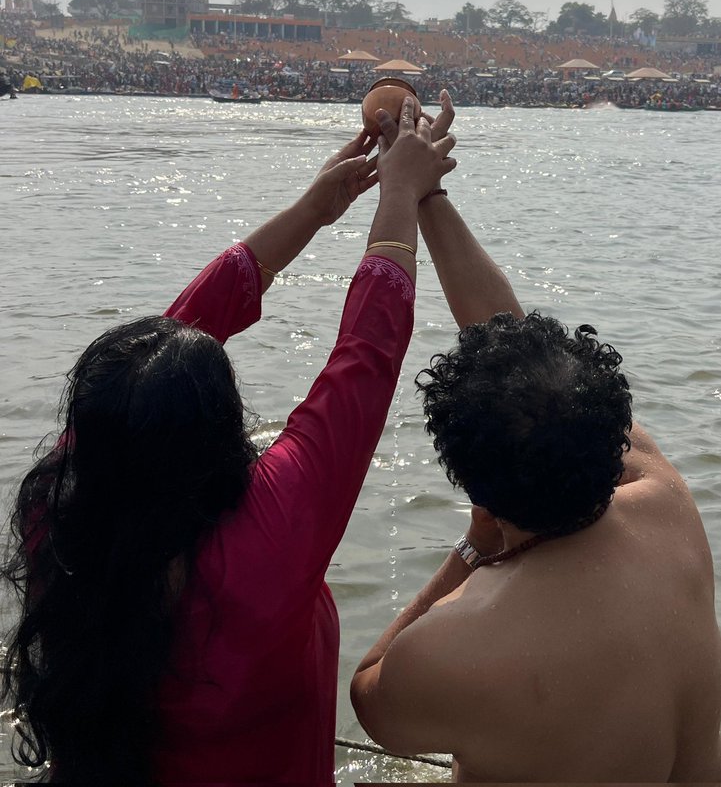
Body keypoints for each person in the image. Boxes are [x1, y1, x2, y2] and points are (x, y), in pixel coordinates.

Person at [1, 99, 456, 786]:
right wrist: (399, 194)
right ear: (221, 427)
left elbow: (159, 353)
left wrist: (312, 210)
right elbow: (365, 356)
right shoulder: (267, 533)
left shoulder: (61, 506)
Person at [351, 91, 721, 784]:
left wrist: (473, 547)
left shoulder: (460, 645)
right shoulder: (667, 504)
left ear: (471, 481)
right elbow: (507, 337)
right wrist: (424, 192)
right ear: (609, 428)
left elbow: (372, 699)